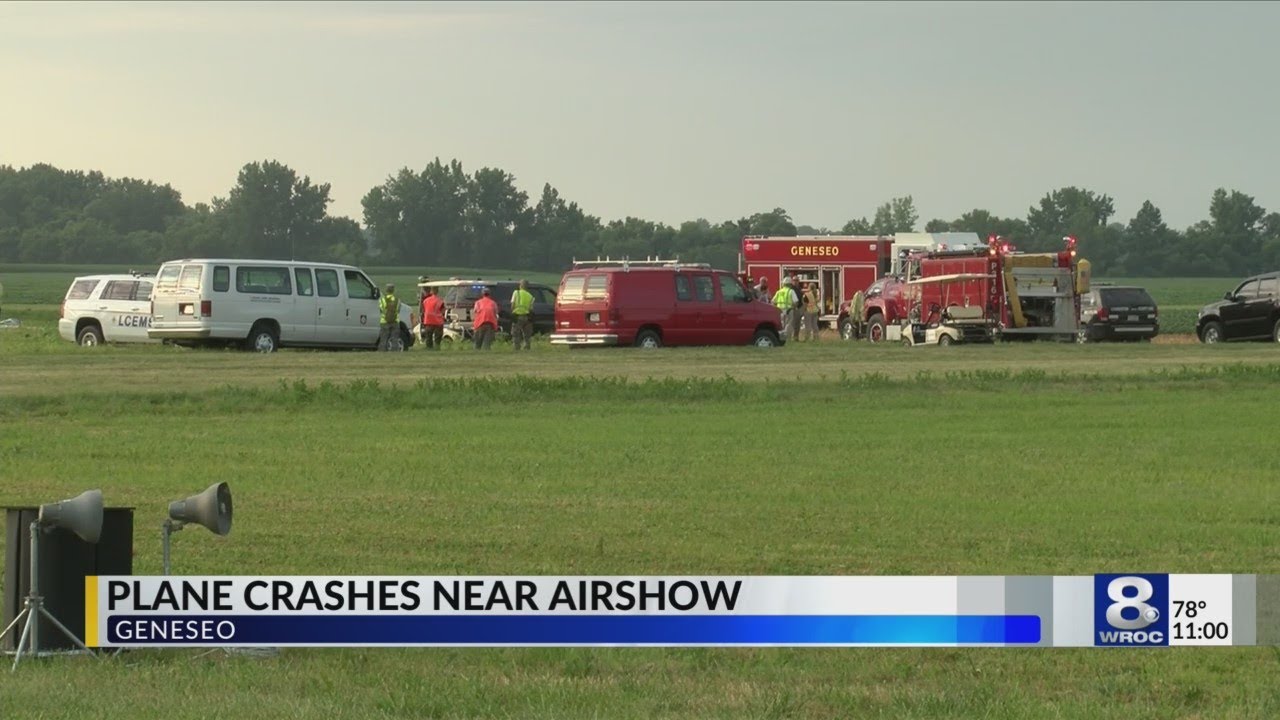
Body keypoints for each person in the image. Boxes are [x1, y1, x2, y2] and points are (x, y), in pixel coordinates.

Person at [510, 279, 535, 351]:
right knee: (527, 334)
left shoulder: (516, 293)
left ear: (520, 285)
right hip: (527, 317)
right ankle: (527, 347)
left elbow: (512, 305)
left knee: (515, 333)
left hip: (517, 316)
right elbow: (531, 309)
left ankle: (516, 348)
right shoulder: (530, 296)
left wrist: (512, 313)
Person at [771, 277, 798, 341]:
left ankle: (781, 338)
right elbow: (796, 301)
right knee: (788, 324)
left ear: (783, 284)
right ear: (790, 284)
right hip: (789, 310)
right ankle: (787, 339)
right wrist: (794, 308)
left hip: (780, 311)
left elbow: (773, 301)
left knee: (782, 324)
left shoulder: (779, 291)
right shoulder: (791, 291)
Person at [377, 283, 399, 351]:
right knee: (394, 338)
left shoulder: (382, 300)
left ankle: (382, 351)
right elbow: (398, 310)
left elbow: (381, 309)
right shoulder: (397, 300)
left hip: (384, 321)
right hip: (395, 321)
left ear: (386, 290)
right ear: (393, 290)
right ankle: (394, 351)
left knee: (384, 338)